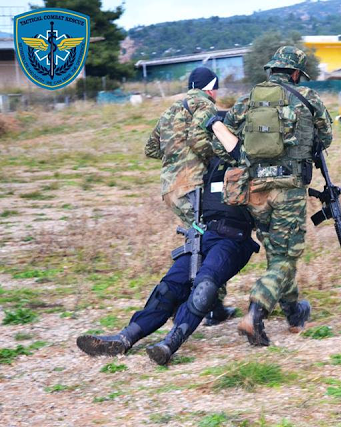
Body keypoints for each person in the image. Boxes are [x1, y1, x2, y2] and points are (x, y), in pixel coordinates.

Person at [76, 68, 259, 364]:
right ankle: (125, 337)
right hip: (204, 230)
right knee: (169, 288)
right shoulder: (211, 157)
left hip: (232, 237)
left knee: (204, 285)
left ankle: (172, 341)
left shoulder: (252, 160)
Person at [225, 46, 333, 346]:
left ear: (272, 70)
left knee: (277, 252)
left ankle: (294, 312)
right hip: (289, 188)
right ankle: (255, 312)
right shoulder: (308, 98)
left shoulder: (249, 98)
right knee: (286, 256)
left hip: (255, 189)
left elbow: (226, 132)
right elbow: (326, 138)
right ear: (296, 73)